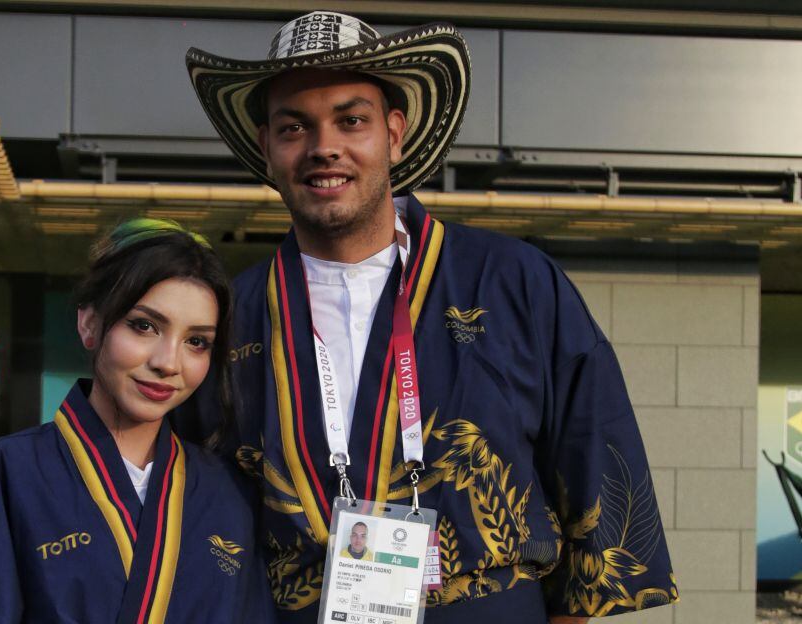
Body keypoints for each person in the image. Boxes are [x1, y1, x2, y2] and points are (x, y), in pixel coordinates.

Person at [184, 11, 677, 623]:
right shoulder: (232, 317)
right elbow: (197, 509)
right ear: (267, 148)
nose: (323, 147)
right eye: (294, 127)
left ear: (395, 132)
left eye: (351, 119)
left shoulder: (515, 282)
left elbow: (596, 464)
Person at [0, 219, 275, 623]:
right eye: (144, 326)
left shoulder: (228, 492)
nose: (168, 363)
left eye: (197, 342)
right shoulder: (6, 474)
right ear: (89, 323)